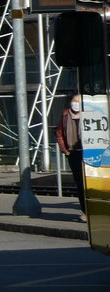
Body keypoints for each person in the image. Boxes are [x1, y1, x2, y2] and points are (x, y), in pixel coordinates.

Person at [56, 92, 86, 221]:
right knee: (80, 184)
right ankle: (85, 211)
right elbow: (59, 133)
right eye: (74, 102)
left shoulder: (88, 115)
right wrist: (65, 150)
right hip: (73, 153)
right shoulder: (65, 115)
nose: (76, 105)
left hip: (87, 153)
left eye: (78, 102)